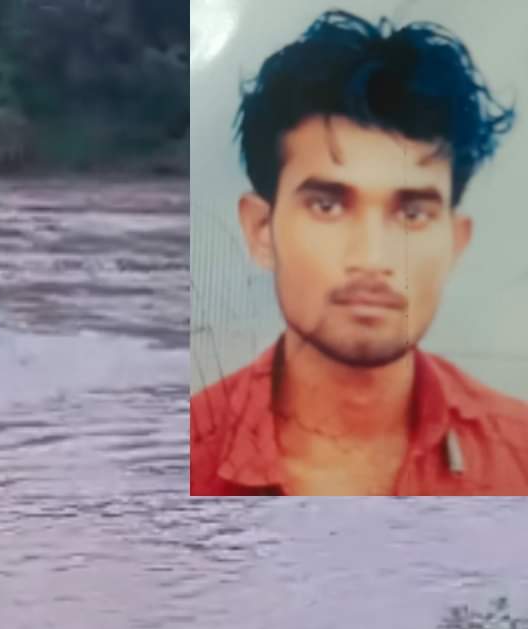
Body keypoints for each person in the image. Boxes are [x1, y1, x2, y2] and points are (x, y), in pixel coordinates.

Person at [191, 12, 528, 495]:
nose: (372, 256)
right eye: (328, 206)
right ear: (262, 230)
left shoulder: (519, 458)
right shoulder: (179, 456)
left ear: (455, 243)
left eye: (412, 214)